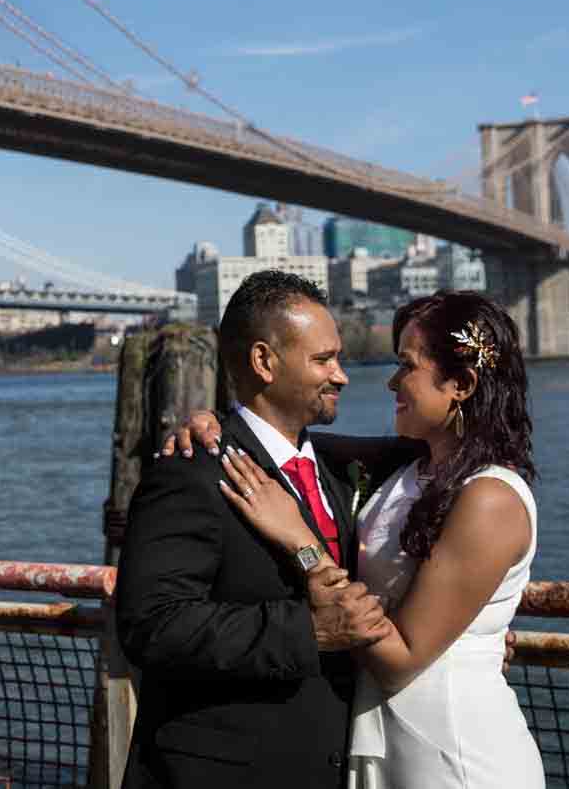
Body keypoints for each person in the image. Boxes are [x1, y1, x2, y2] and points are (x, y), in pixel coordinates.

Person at [204, 290, 544, 787]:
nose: (391, 382)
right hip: (385, 739)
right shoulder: (415, 466)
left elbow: (400, 659)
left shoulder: (490, 498)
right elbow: (281, 439)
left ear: (462, 384)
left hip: (453, 754)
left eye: (406, 365)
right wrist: (216, 427)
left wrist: (301, 541)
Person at [114, 270, 415, 787]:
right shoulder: (192, 472)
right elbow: (151, 625)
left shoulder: (333, 472)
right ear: (263, 362)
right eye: (323, 360)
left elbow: (440, 456)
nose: (341, 375)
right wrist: (308, 632)